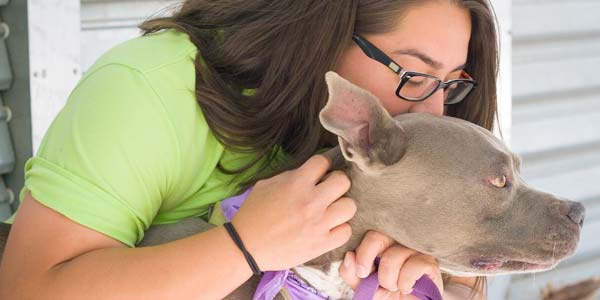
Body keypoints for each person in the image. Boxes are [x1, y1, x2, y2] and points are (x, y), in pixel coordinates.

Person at [0, 0, 497, 299]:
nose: (434, 114)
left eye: (451, 86)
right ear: (320, 31)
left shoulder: (400, 148)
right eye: (414, 74)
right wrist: (245, 246)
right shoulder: (149, 90)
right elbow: (30, 290)